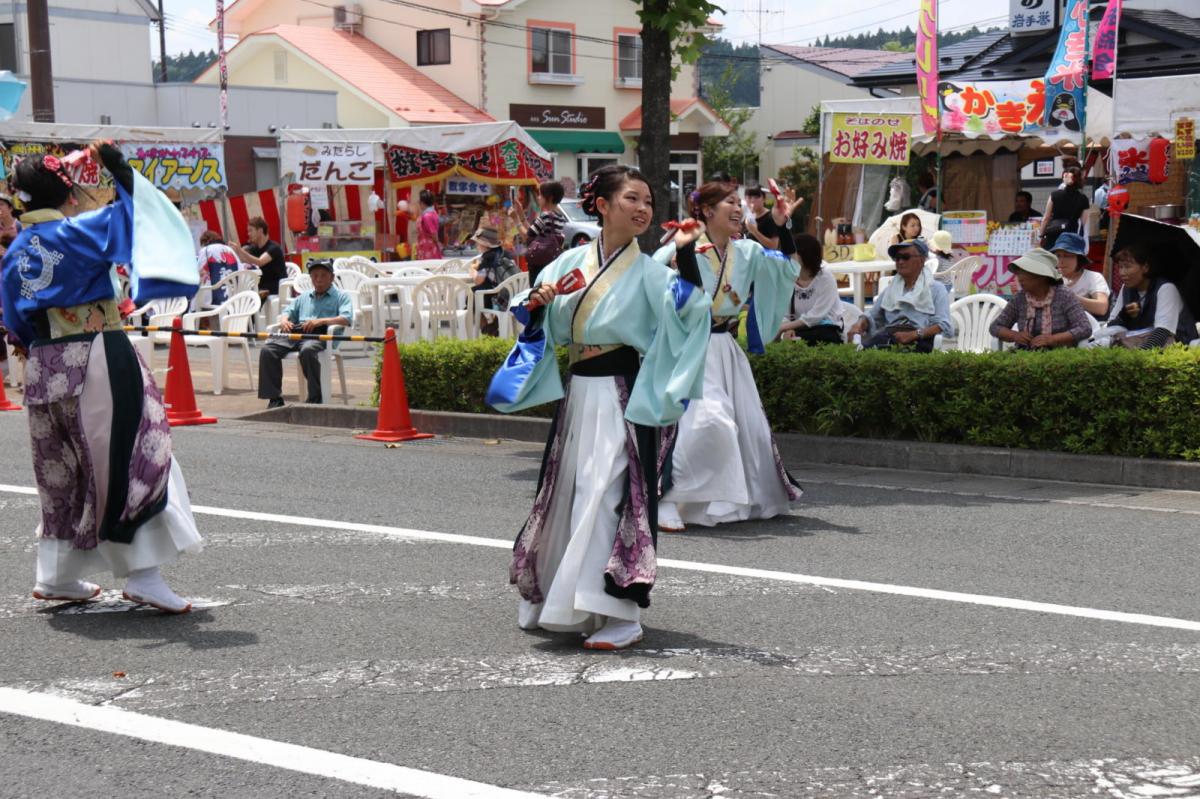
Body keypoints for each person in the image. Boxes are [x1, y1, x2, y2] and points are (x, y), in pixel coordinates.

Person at [484, 164, 710, 651]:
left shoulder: (650, 272)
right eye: (632, 198)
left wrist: (687, 255)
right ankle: (560, 600)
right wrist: (538, 304)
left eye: (648, 201)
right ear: (602, 206)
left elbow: (691, 310)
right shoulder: (571, 265)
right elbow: (527, 308)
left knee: (611, 497)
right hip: (580, 392)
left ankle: (621, 611)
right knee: (569, 492)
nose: (644, 208)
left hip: (623, 394)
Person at [0, 142, 203, 613]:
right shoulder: (74, 232)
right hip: (97, 354)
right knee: (137, 457)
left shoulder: (13, 253)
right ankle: (144, 575)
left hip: (44, 366)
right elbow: (138, 218)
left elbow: (15, 322)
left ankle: (56, 576)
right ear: (68, 194)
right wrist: (120, 169)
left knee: (63, 471)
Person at [652, 179, 803, 532]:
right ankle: (668, 498)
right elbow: (652, 286)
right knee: (707, 423)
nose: (739, 209)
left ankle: (727, 499)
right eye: (730, 203)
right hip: (690, 347)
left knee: (750, 428)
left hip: (725, 347)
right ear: (707, 211)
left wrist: (780, 224)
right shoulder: (681, 245)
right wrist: (683, 256)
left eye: (740, 204)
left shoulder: (746, 251)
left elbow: (785, 268)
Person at [257, 258, 352, 407]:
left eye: (323, 275)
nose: (319, 279)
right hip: (297, 333)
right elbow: (287, 311)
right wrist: (284, 320)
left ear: (332, 277)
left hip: (321, 336)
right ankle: (275, 398)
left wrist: (321, 321)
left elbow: (346, 318)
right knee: (268, 350)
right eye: (315, 276)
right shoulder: (303, 296)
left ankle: (315, 398)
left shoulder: (341, 296)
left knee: (307, 350)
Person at [847, 239, 953, 353]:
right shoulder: (891, 289)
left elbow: (943, 324)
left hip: (919, 340)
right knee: (857, 357)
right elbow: (873, 315)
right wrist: (860, 324)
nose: (900, 262)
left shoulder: (936, 289)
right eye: (897, 258)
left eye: (906, 257)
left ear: (921, 260)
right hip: (888, 338)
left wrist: (914, 334)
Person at [988, 249, 1092, 349]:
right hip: (1024, 355)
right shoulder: (1019, 299)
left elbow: (1084, 328)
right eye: (1019, 273)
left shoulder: (1064, 296)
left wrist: (1053, 339)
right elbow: (995, 327)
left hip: (1060, 355)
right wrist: (1015, 336)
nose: (1020, 278)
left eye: (1025, 272)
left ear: (1042, 276)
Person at [1107, 243, 1197, 349]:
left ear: (1145, 267)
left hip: (1178, 345)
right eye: (1120, 267)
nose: (1122, 273)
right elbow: (1111, 326)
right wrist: (1124, 316)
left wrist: (1139, 357)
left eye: (1127, 267)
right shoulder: (1126, 288)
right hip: (1140, 342)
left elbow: (1162, 332)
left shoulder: (1166, 288)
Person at [778, 233, 845, 346]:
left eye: (790, 254)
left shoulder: (825, 278)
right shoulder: (787, 279)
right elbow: (785, 314)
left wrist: (783, 327)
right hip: (799, 330)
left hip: (826, 329)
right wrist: (787, 330)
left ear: (801, 257)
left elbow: (816, 316)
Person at [511, 181, 567, 285]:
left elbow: (527, 237)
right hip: (550, 260)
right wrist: (521, 215)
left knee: (536, 290)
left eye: (540, 195)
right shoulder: (560, 217)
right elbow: (534, 232)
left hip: (539, 263)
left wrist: (516, 220)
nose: (538, 198)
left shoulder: (545, 216)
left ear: (549, 198)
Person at [469, 222, 518, 335]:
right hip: (514, 294)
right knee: (482, 291)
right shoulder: (506, 254)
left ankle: (486, 328)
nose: (477, 246)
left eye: (478, 243)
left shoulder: (486, 258)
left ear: (484, 244)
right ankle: (493, 326)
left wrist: (472, 270)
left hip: (500, 298)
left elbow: (478, 280)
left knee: (472, 296)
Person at [1050, 232, 1109, 318]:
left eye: (1067, 256)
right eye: (1058, 256)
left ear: (1079, 258)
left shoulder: (1093, 277)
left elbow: (1102, 308)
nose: (1061, 261)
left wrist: (1070, 297)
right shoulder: (1051, 278)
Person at [231, 216, 287, 300]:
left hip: (276, 287)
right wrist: (235, 251)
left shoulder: (274, 248)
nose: (248, 234)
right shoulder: (254, 248)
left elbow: (259, 262)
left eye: (251, 230)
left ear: (260, 231)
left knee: (250, 299)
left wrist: (240, 250)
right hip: (260, 287)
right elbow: (243, 260)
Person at [1040, 166, 1090, 248]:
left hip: (1054, 234)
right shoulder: (1083, 198)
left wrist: (1041, 235)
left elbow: (1046, 217)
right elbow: (1084, 222)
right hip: (1072, 236)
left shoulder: (1054, 195)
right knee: (1068, 258)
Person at [196, 230, 240, 306]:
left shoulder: (206, 250)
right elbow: (241, 270)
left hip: (215, 299)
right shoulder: (230, 250)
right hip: (235, 298)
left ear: (204, 242)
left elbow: (200, 274)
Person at [742, 186, 780, 250]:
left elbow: (774, 246)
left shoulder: (770, 217)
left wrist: (754, 231)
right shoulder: (747, 216)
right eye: (749, 197)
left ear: (764, 199)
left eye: (756, 197)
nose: (752, 200)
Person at [414, 189, 443, 260]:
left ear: (422, 202)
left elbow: (434, 233)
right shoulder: (432, 213)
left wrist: (437, 243)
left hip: (428, 248)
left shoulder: (427, 216)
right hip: (426, 246)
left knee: (427, 268)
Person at [0, 192, 22, 257]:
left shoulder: (20, 226)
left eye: (1, 204)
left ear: (10, 208)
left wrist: (6, 253)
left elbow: (25, 251)